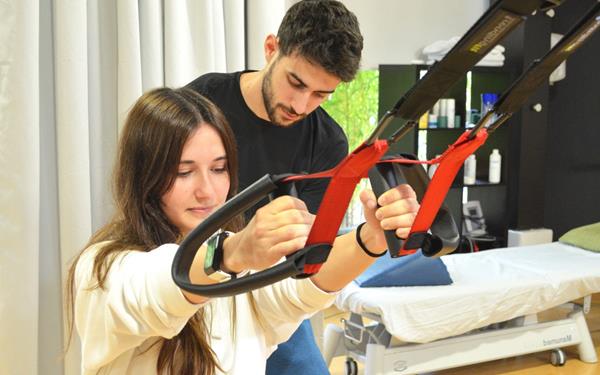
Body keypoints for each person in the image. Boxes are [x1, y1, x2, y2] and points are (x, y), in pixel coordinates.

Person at [65, 87, 419, 374]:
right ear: (146, 176)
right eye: (184, 172)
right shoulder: (103, 269)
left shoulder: (239, 274)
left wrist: (371, 237)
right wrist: (233, 253)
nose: (207, 191)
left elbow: (299, 290)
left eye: (219, 169)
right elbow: (156, 287)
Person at [186, 1, 363, 372]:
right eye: (295, 83)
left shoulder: (328, 143)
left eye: (320, 95)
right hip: (189, 271)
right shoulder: (202, 101)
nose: (301, 105)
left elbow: (300, 259)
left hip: (266, 289)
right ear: (271, 49)